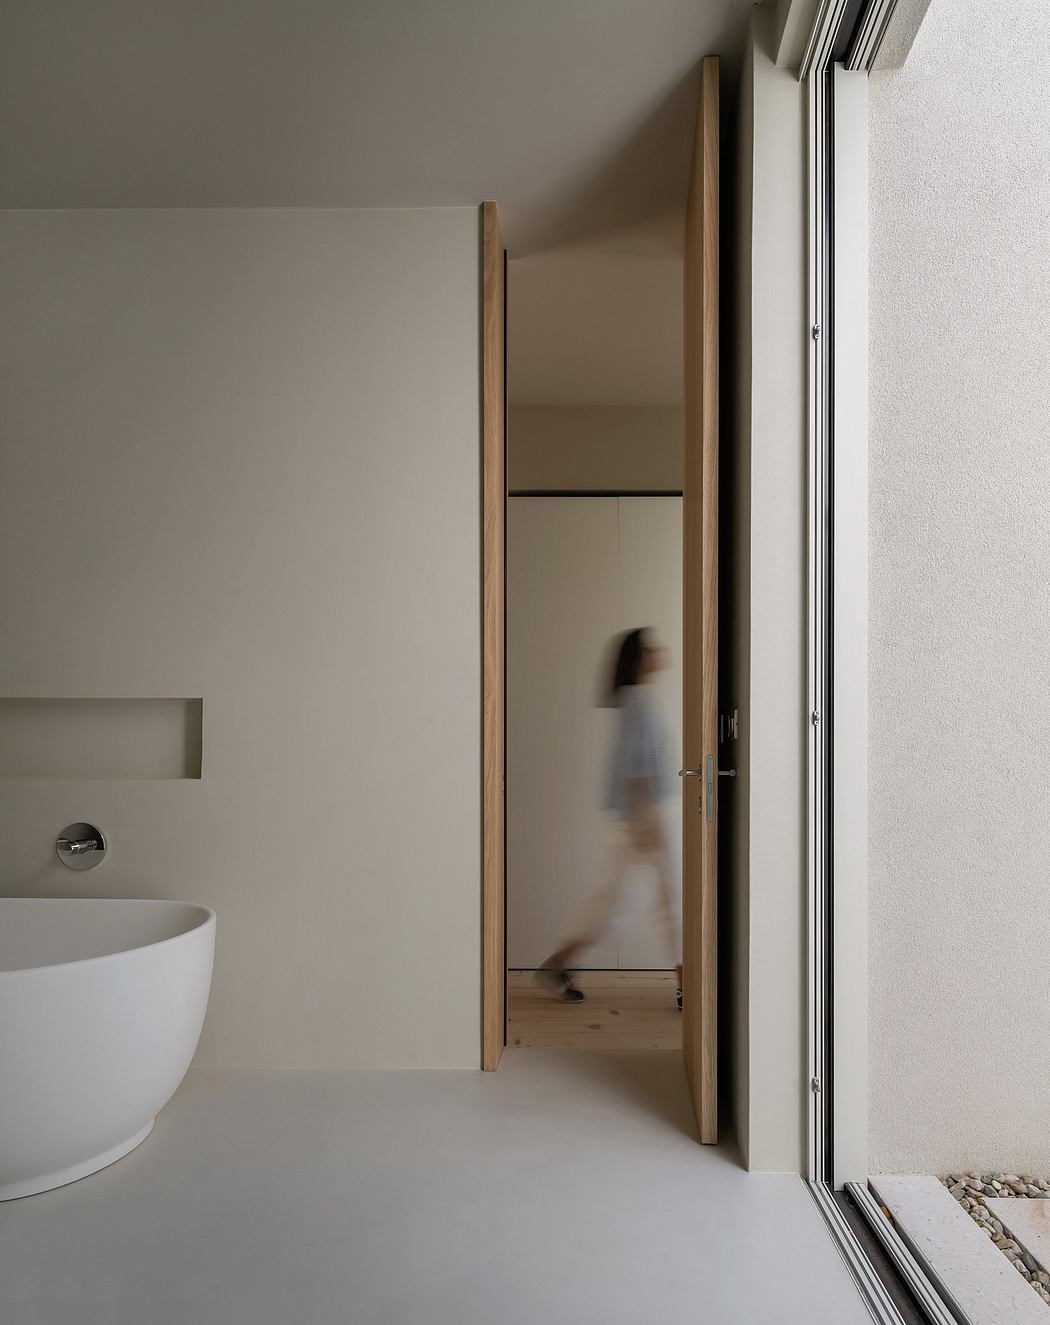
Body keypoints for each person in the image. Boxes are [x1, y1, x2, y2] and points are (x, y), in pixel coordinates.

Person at [537, 627, 683, 1009]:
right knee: (675, 895)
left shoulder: (636, 700)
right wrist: (647, 821)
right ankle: (689, 985)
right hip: (649, 814)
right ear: (639, 658)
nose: (659, 651)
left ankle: (558, 965)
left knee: (615, 901)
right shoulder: (636, 704)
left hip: (641, 815)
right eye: (651, 647)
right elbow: (635, 768)